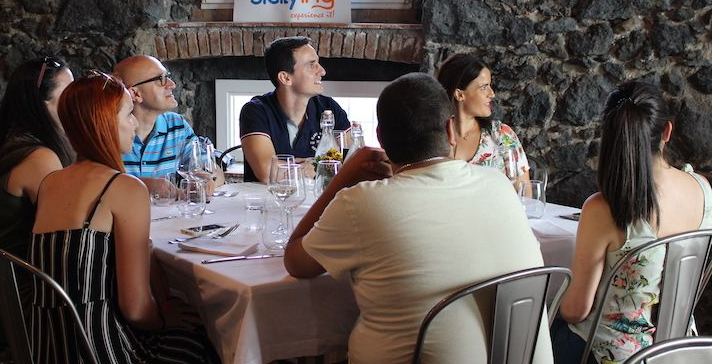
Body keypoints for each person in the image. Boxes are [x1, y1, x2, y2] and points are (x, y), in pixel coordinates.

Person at [284, 72, 551, 364]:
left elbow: (295, 262)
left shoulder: (362, 203)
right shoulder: (498, 183)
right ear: (450, 131)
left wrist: (343, 178)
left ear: (381, 139)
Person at [31, 71, 219, 364]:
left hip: (47, 345)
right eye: (129, 114)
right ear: (104, 123)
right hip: (96, 349)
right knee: (203, 341)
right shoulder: (123, 188)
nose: (135, 123)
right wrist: (163, 318)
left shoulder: (50, 182)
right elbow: (135, 309)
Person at [552, 81, 712, 364]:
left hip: (613, 354)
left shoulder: (604, 208)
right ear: (667, 131)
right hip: (677, 346)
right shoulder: (703, 190)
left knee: (541, 332)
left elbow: (577, 310)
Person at [0, 56, 75, 344]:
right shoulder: (39, 157)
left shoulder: (19, 143)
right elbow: (70, 231)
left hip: (0, 289)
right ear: (43, 106)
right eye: (69, 94)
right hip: (15, 306)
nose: (76, 102)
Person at [239, 36, 350, 182]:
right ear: (285, 78)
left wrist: (313, 166)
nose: (322, 71)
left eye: (318, 63)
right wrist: (319, 165)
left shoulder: (329, 109)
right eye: (312, 65)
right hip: (269, 202)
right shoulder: (255, 111)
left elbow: (353, 161)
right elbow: (267, 172)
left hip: (319, 201)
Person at [113, 55, 224, 194]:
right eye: (161, 79)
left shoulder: (176, 125)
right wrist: (148, 186)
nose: (172, 84)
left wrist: (206, 177)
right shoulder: (109, 132)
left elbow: (213, 170)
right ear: (135, 93)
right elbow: (99, 186)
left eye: (168, 76)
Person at [436, 52, 531, 183]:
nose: (492, 94)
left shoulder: (502, 136)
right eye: (484, 87)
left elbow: (525, 195)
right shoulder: (434, 137)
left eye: (490, 86)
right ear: (459, 94)